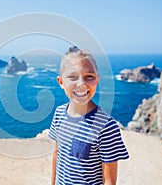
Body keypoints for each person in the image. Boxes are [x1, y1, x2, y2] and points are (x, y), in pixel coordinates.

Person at [49, 46, 129, 185]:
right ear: (61, 82)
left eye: (89, 77)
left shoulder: (106, 126)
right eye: (72, 77)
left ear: (97, 80)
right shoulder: (59, 113)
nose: (81, 84)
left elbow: (109, 180)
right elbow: (57, 154)